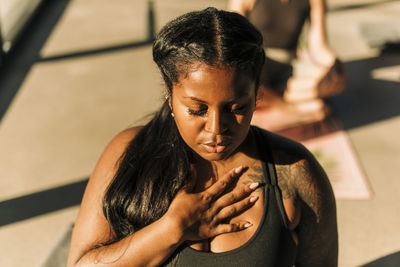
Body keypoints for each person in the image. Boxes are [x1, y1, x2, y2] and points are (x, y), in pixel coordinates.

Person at [67, 7, 337, 267]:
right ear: (169, 94)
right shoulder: (129, 151)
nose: (216, 129)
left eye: (237, 108)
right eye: (197, 109)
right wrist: (173, 228)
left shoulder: (294, 172)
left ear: (257, 95)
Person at [228, 0, 346, 131]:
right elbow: (235, 44)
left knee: (333, 81)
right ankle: (293, 109)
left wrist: (333, 65)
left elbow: (319, 45)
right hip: (256, 64)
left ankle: (269, 101)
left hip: (289, 66)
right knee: (240, 82)